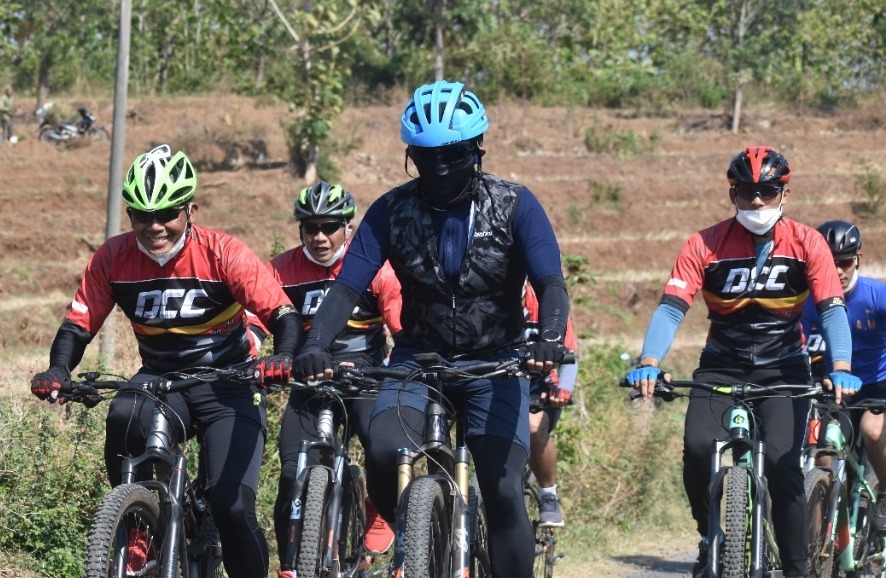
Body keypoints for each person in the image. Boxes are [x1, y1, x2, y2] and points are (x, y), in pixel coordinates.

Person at [292, 80, 570, 578]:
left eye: (453, 155)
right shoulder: (390, 211)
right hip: (417, 362)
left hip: (497, 363)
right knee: (381, 452)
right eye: (426, 157)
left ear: (477, 149)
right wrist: (314, 343)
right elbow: (346, 288)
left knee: (504, 490)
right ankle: (425, 538)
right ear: (411, 155)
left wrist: (548, 341)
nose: (439, 169)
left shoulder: (515, 204)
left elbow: (550, 283)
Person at [30, 144, 301, 578]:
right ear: (131, 215)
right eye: (142, 215)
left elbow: (283, 314)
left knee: (231, 506)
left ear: (190, 210)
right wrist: (59, 369)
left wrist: (283, 357)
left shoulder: (223, 252)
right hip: (161, 378)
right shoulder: (113, 257)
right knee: (122, 413)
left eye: (167, 214)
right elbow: (78, 326)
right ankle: (139, 521)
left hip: (228, 382)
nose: (154, 226)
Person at [624, 146, 862, 578]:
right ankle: (707, 536)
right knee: (697, 450)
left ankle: (796, 569)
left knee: (782, 466)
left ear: (784, 194)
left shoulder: (809, 243)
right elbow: (672, 308)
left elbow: (830, 310)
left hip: (784, 367)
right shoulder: (704, 243)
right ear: (732, 193)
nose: (757, 201)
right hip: (721, 364)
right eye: (747, 192)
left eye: (767, 192)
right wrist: (649, 360)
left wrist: (841, 366)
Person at [266, 181, 402, 576]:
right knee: (291, 472)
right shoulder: (281, 269)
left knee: (382, 451)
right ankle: (291, 564)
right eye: (310, 228)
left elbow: (397, 314)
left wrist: (407, 349)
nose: (320, 237)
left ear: (348, 226)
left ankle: (377, 509)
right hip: (308, 379)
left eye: (329, 227)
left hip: (364, 374)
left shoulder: (373, 265)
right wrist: (255, 351)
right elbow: (256, 317)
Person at [801, 220, 886, 532]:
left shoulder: (877, 296)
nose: (837, 270)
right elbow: (798, 345)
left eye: (845, 262)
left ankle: (885, 494)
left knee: (873, 431)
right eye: (829, 262)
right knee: (823, 454)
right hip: (832, 386)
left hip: (877, 384)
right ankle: (815, 544)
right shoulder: (808, 303)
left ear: (858, 260)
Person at [523, 282, 578, 527]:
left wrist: (563, 388)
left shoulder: (546, 302)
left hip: (542, 388)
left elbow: (569, 355)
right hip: (498, 385)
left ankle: (548, 495)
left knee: (534, 427)